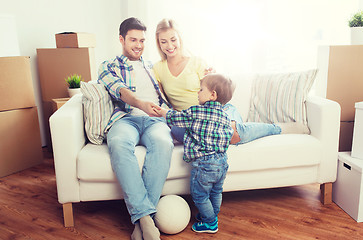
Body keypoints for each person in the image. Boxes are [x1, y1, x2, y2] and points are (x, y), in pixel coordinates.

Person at [153, 19, 309, 145]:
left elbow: (216, 92)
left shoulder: (197, 62)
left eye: (173, 39)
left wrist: (213, 76)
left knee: (232, 132)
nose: (169, 45)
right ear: (159, 44)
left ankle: (277, 128)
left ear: (179, 39)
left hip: (216, 113)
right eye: (163, 42)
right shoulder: (158, 69)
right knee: (201, 132)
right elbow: (160, 100)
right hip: (190, 119)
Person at [98, 17, 173, 240]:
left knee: (163, 143)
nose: (138, 45)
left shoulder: (151, 66)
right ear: (121, 39)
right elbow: (120, 90)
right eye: (133, 40)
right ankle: (146, 219)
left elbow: (170, 87)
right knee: (119, 143)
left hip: (155, 120)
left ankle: (142, 222)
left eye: (142, 40)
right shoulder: (108, 65)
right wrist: (141, 104)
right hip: (125, 118)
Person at [154, 73, 234, 233]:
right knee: (216, 191)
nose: (198, 92)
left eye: (201, 89)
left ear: (213, 95)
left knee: (199, 195)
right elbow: (230, 135)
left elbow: (177, 118)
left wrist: (162, 112)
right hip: (222, 162)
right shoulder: (226, 116)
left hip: (205, 164)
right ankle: (210, 215)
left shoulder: (198, 112)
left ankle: (210, 223)